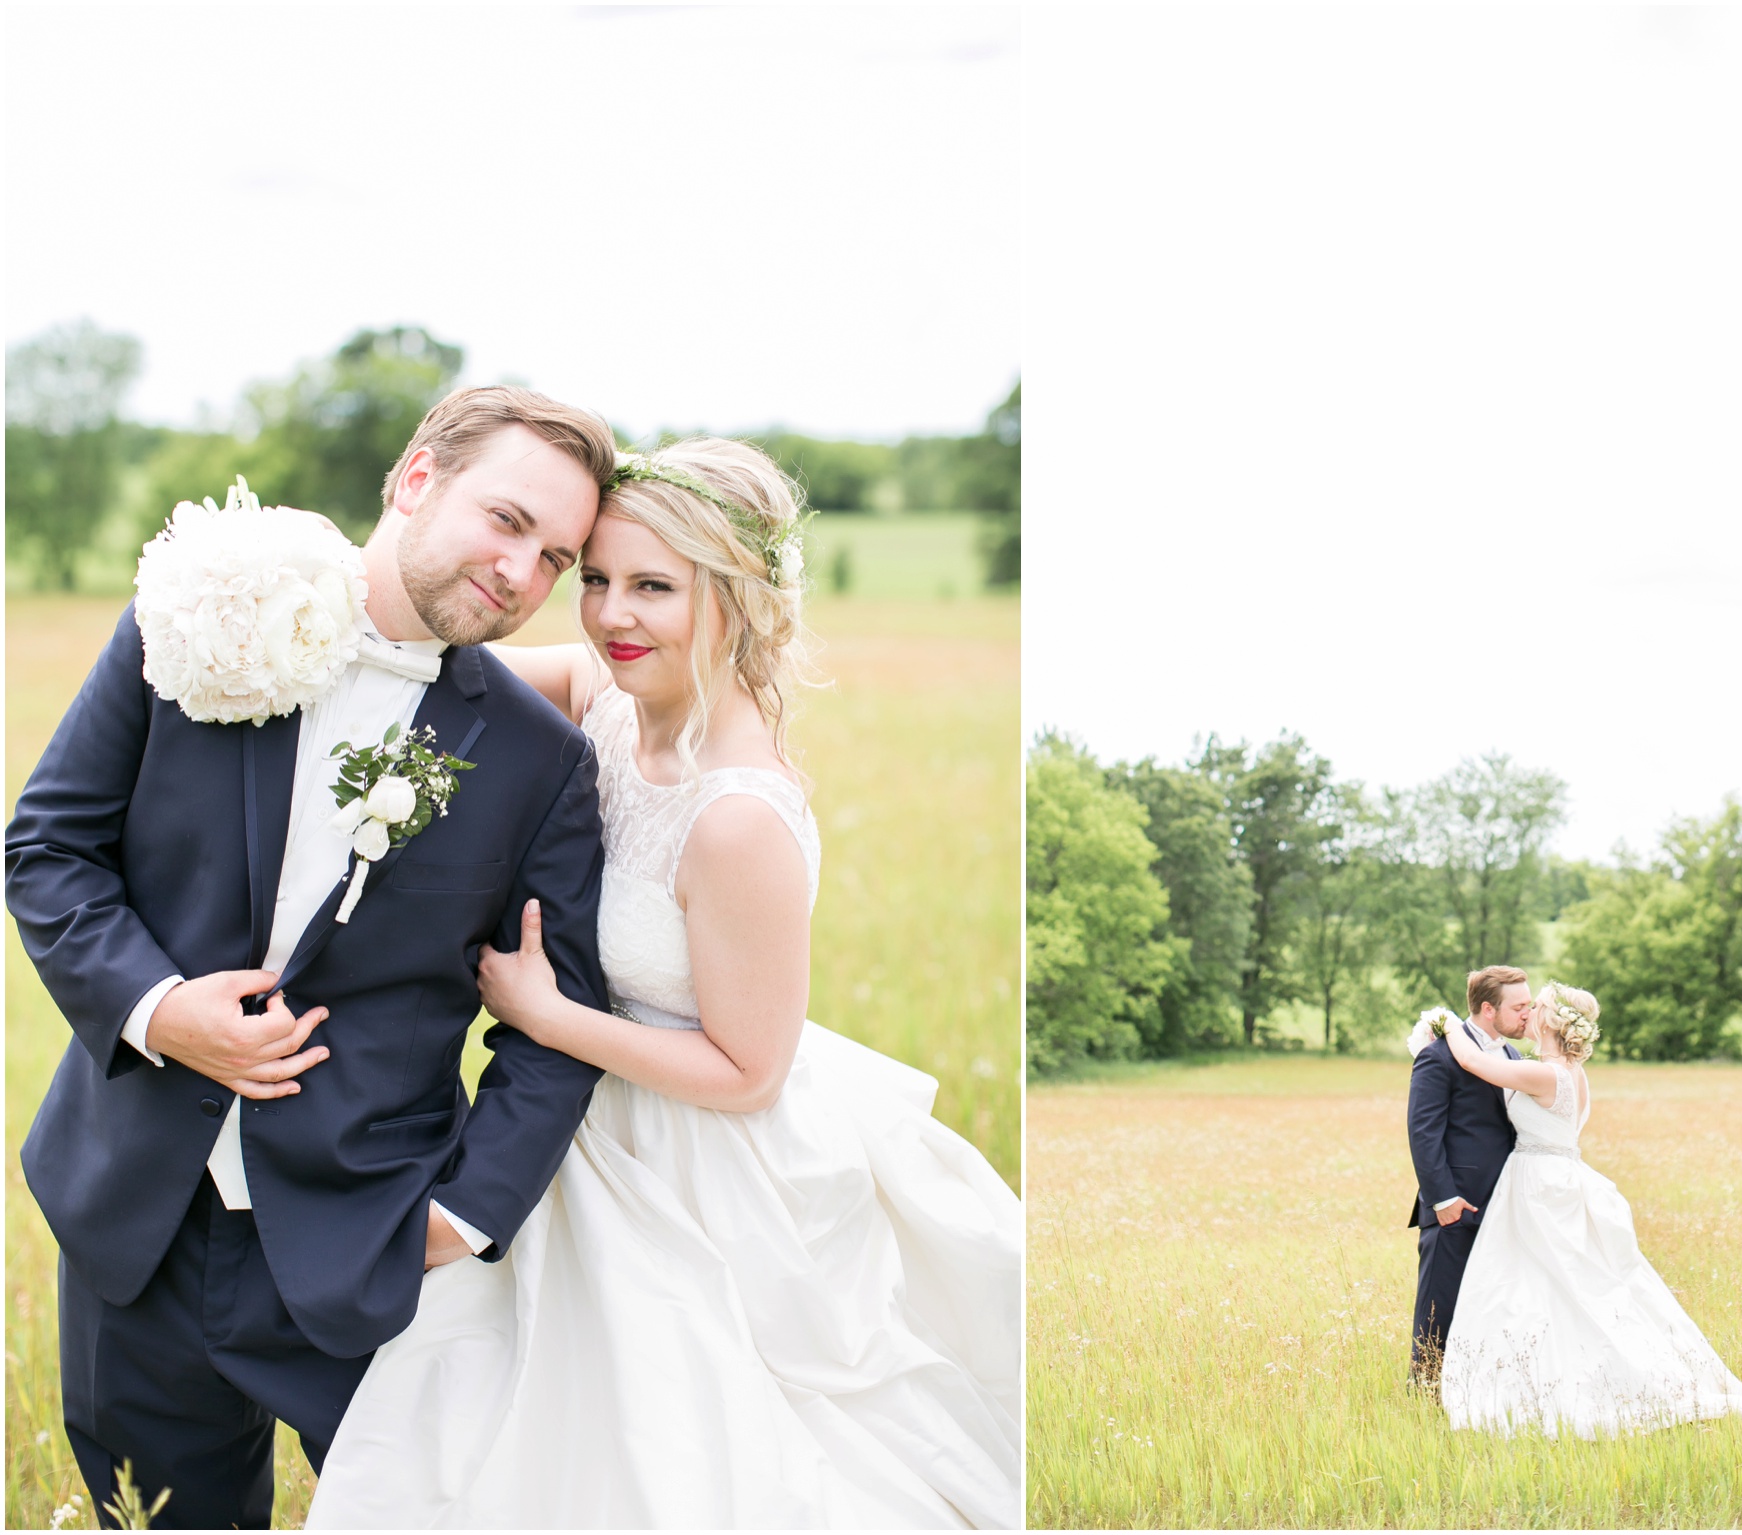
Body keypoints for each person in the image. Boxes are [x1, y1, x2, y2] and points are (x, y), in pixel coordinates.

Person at [307, 438, 1023, 1529]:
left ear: (735, 598)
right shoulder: (603, 689)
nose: (607, 614)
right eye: (594, 578)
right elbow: (442, 670)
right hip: (580, 1115)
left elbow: (747, 1070)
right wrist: (294, 610)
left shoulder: (737, 817)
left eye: (652, 587)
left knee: (679, 1434)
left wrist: (548, 1014)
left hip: (706, 1154)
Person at [6, 387, 619, 1529]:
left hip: (373, 1239)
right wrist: (157, 1007)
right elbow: (48, 848)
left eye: (557, 556)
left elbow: (556, 1022)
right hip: (132, 1217)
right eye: (507, 519)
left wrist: (462, 1216)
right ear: (416, 478)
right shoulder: (194, 616)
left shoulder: (541, 762)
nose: (521, 571)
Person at [1438, 982, 1742, 1437]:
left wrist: (1446, 1024)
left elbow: (1472, 1062)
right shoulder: (1569, 1070)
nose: (1528, 1012)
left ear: (1551, 1021)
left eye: (1538, 1007)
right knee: (1556, 1284)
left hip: (1540, 1185)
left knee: (1549, 1282)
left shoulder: (1546, 1074)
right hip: (1557, 1178)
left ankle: (1569, 1383)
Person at [1404, 965, 1535, 1387]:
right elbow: (1423, 1133)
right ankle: (1424, 1392)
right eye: (1519, 1007)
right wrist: (1442, 1200)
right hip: (1455, 1207)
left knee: (1492, 1306)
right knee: (1439, 1306)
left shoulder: (1513, 1057)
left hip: (1503, 1207)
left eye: (1529, 1005)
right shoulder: (1438, 1056)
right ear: (1487, 1009)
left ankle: (1476, 1391)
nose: (1527, 1015)